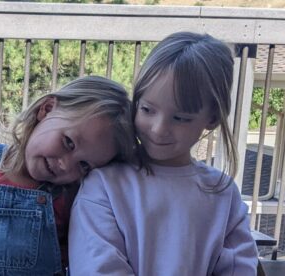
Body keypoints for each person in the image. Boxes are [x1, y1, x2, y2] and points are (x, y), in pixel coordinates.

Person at [68, 32, 258, 275]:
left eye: (180, 118)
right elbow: (98, 268)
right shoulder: (103, 185)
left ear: (212, 118)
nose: (159, 129)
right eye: (147, 109)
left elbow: (239, 268)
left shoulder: (224, 193)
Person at [0, 76, 136, 275]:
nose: (65, 164)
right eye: (68, 142)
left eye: (83, 165)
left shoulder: (71, 197)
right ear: (46, 110)